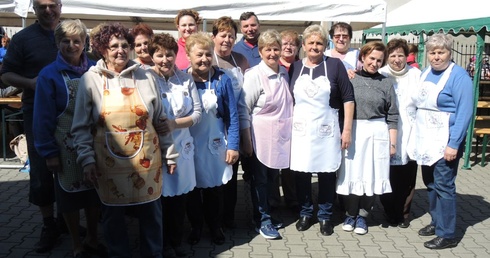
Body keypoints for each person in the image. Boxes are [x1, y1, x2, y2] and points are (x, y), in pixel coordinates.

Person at [71, 22, 177, 257]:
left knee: (152, 216)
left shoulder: (146, 76)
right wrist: (87, 160)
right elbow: (80, 127)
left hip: (147, 162)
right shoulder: (91, 80)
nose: (120, 50)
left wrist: (170, 153)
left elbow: (160, 119)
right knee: (113, 219)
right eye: (114, 46)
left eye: (124, 45)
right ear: (102, 49)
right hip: (108, 164)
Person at [32, 19, 106, 258]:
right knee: (70, 197)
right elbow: (42, 118)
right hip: (65, 147)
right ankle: (76, 244)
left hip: (94, 145)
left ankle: (93, 238)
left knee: (94, 195)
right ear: (57, 43)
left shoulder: (95, 68)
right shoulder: (48, 75)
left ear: (85, 43)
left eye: (77, 40)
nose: (72, 45)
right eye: (66, 41)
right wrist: (49, 152)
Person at [0, 0, 66, 253]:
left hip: (69, 114)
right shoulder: (24, 38)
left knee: (68, 168)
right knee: (41, 171)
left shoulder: (71, 33)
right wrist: (30, 83)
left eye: (52, 5)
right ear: (34, 9)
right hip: (36, 112)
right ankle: (49, 224)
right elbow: (5, 74)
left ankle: (65, 220)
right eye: (41, 6)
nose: (48, 10)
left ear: (60, 6)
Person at [408, 33, 473, 250]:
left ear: (449, 52)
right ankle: (437, 222)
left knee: (444, 185)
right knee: (431, 184)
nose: (436, 57)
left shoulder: (459, 77)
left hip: (446, 141)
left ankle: (448, 234)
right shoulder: (426, 72)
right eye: (432, 53)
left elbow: (464, 113)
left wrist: (453, 144)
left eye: (441, 52)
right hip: (426, 139)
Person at [289, 24, 354, 236]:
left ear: (326, 45)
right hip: (301, 131)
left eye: (319, 43)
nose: (315, 46)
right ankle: (306, 212)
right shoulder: (295, 67)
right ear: (304, 45)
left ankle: (325, 215)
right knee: (301, 173)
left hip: (327, 130)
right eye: (311, 43)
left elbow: (348, 99)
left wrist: (347, 130)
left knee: (327, 173)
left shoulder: (335, 65)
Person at [337, 41, 398, 235]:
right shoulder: (350, 78)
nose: (375, 63)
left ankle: (363, 216)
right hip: (354, 130)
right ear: (362, 57)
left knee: (372, 176)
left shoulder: (387, 82)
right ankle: (350, 213)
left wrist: (392, 143)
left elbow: (393, 115)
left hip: (377, 132)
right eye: (371, 58)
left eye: (379, 60)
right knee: (353, 174)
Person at [148, 32, 201, 257]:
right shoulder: (145, 79)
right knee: (158, 200)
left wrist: (174, 124)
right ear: (152, 56)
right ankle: (160, 243)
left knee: (179, 198)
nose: (164, 60)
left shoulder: (186, 79)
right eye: (159, 55)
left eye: (169, 55)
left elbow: (197, 113)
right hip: (156, 148)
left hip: (183, 147)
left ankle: (176, 240)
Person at [185, 32, 239, 245]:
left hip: (215, 144)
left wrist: (233, 146)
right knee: (192, 190)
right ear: (189, 55)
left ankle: (215, 226)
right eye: (199, 55)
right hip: (189, 145)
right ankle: (196, 226)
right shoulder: (181, 79)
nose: (204, 59)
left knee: (215, 190)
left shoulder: (222, 79)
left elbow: (233, 116)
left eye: (208, 54)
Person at [242, 29, 292, 240]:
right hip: (260, 138)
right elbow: (244, 109)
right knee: (260, 180)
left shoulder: (284, 73)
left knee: (272, 178)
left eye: (275, 48)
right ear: (260, 52)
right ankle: (261, 220)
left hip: (279, 137)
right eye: (267, 49)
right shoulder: (254, 75)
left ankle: (269, 213)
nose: (272, 53)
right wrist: (247, 142)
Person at [211, 16, 253, 229]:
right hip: (214, 126)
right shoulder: (206, 60)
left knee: (231, 175)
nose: (226, 40)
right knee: (215, 177)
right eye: (222, 35)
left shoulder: (241, 60)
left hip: (237, 123)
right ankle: (212, 219)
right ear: (214, 37)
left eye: (230, 36)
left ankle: (228, 218)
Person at [378, 38, 421, 229]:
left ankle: (404, 213)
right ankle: (389, 210)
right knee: (387, 173)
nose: (397, 59)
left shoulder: (417, 75)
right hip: (387, 130)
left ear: (407, 56)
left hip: (411, 130)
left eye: (400, 55)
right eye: (393, 55)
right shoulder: (381, 74)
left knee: (407, 175)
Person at [277, 29, 301, 211]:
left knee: (292, 163)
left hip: (297, 121)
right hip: (276, 121)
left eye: (292, 43)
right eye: (284, 43)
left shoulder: (302, 67)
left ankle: (292, 198)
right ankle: (273, 200)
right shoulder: (273, 65)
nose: (288, 47)